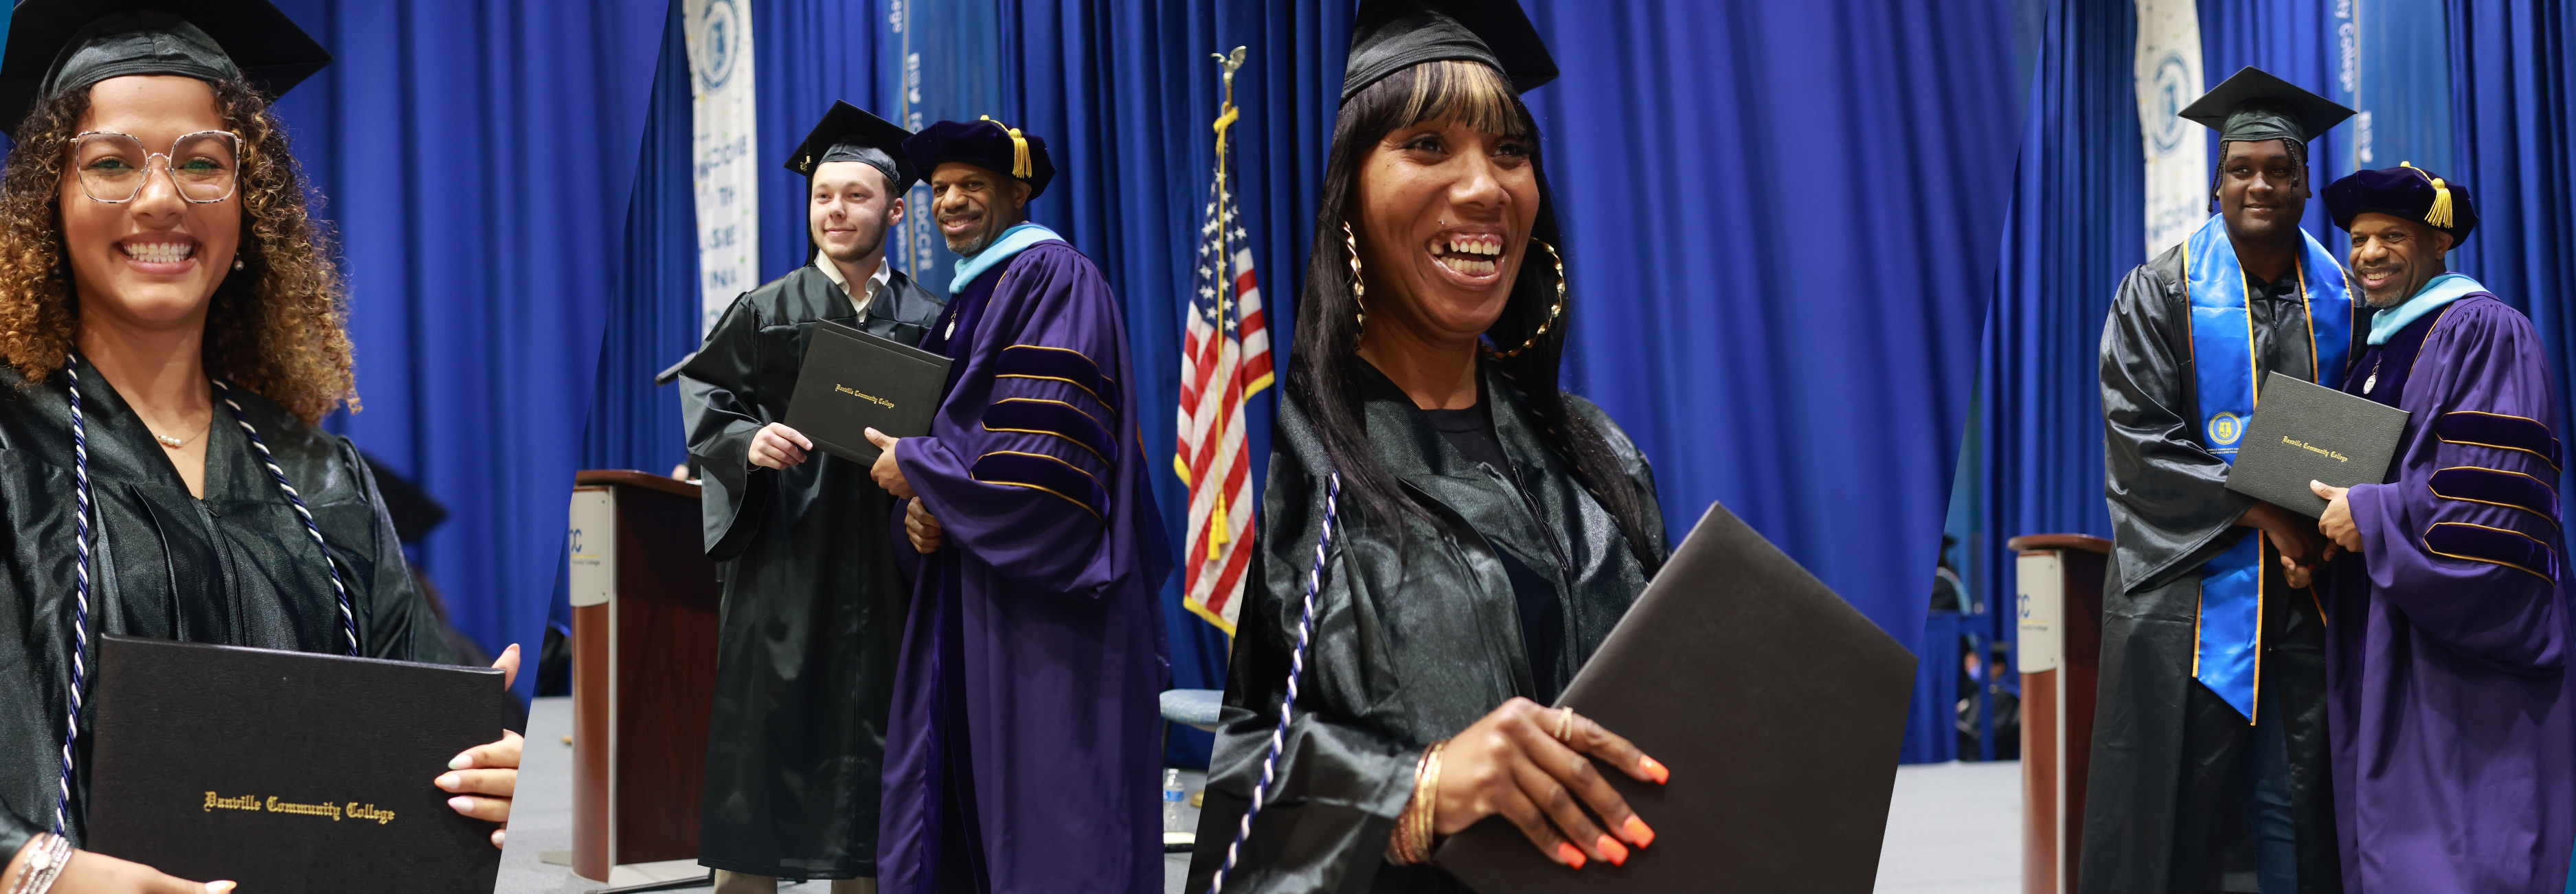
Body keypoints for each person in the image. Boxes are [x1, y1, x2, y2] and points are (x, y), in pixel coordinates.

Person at [0, 4, 521, 891]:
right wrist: (31, 868)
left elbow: (418, 749)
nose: (161, 197)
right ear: (52, 195)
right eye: (112, 164)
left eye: (202, 163)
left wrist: (489, 776)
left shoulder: (321, 476)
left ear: (251, 206)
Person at [1185, 2, 1673, 891]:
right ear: (1341, 193)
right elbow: (1229, 765)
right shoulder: (1293, 471)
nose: (1485, 185)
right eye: (1426, 145)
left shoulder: (1595, 451)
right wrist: (1415, 789)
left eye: (1509, 151)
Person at [863, 117, 1171, 893]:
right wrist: (924, 508)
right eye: (939, 191)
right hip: (977, 582)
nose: (952, 203)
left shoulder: (1053, 277)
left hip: (1045, 610)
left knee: (1052, 813)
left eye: (973, 185)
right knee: (973, 805)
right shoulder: (966, 300)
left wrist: (926, 473)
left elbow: (1046, 462)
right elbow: (961, 437)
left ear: (1018, 190)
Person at [2088, 67, 2358, 894]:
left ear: (2307, 184)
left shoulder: (2347, 297)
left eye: (2280, 169)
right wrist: (2262, 515)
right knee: (2178, 809)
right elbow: (2138, 438)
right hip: (2188, 594)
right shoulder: (2159, 291)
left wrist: (2313, 532)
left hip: (2311, 592)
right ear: (2217, 183)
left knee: (2300, 801)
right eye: (2243, 169)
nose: (2261, 184)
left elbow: (2360, 433)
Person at [675, 101, 945, 894]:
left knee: (873, 761)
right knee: (762, 756)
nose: (836, 211)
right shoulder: (769, 309)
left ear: (895, 210)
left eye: (856, 197)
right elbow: (709, 395)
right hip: (785, 565)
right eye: (823, 196)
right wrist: (745, 443)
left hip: (889, 573)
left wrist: (930, 480)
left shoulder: (930, 319)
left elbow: (959, 431)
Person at [2307, 165, 2573, 892]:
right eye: (2360, 239)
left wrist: (2371, 513)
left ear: (2439, 241)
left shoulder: (2483, 329)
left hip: (2455, 652)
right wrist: (2318, 540)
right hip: (2382, 623)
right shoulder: (2372, 348)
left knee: (2453, 846)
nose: (2369, 253)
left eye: (2392, 236)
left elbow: (2491, 505)